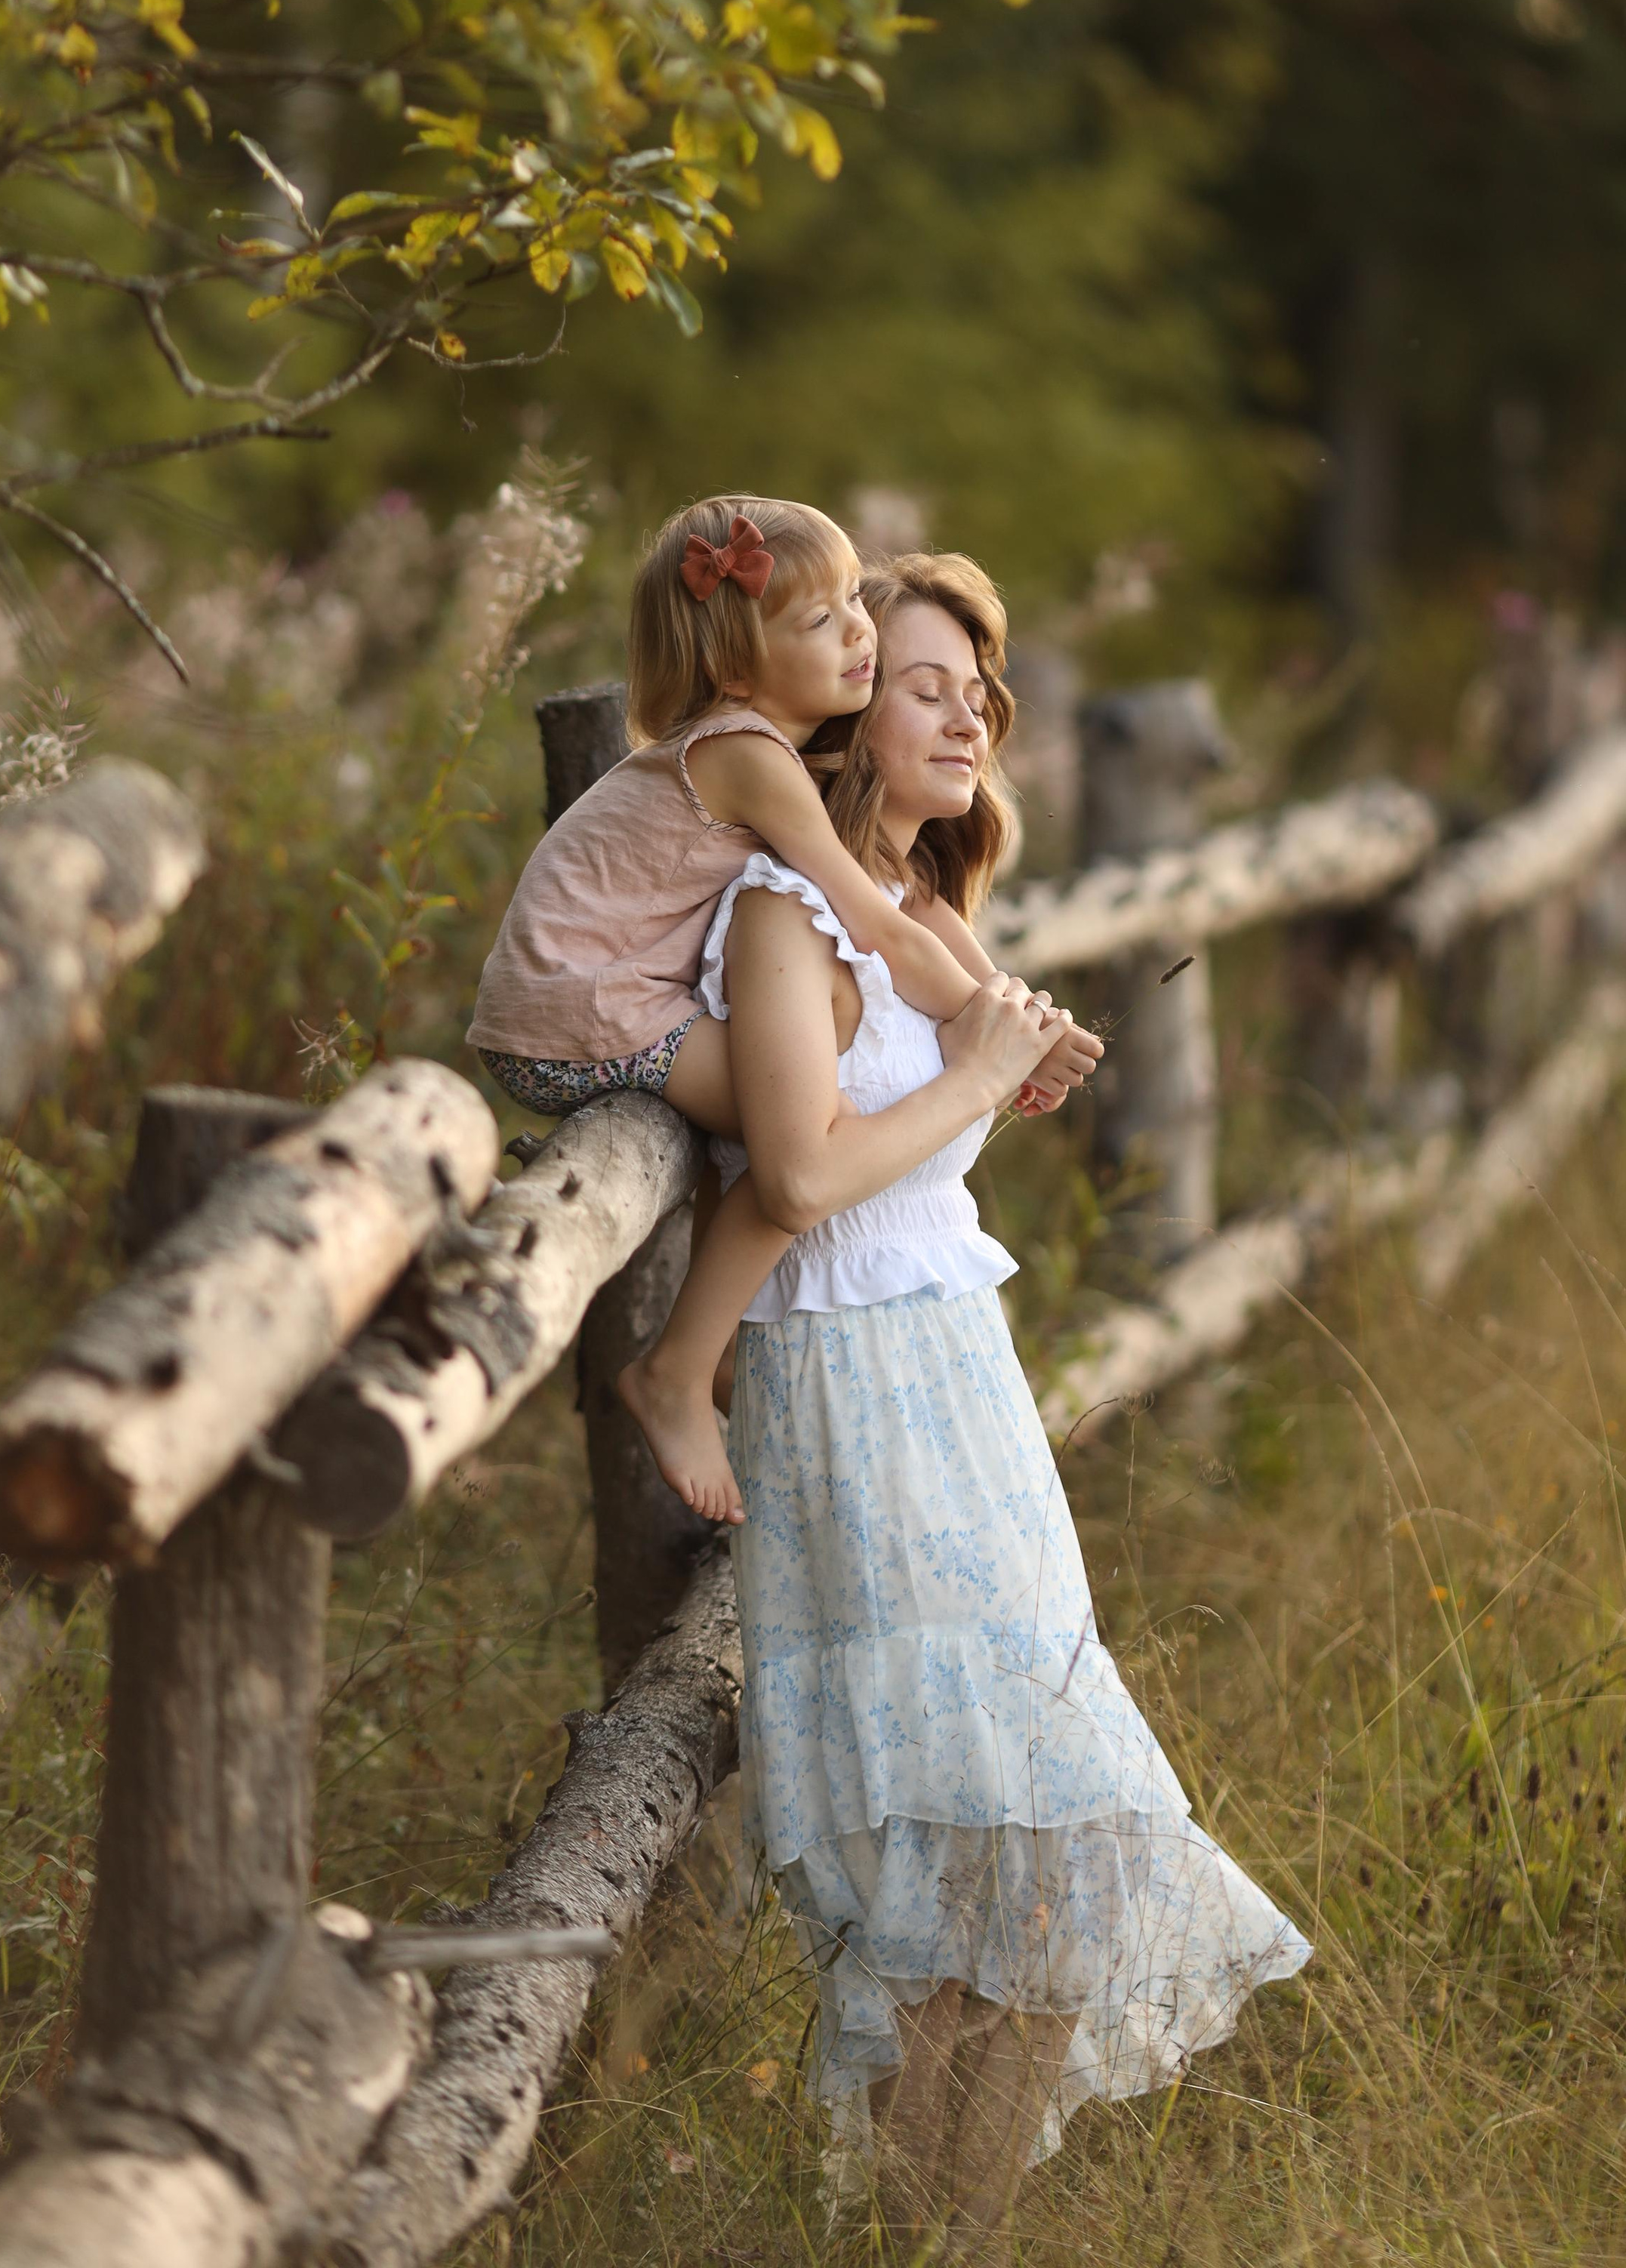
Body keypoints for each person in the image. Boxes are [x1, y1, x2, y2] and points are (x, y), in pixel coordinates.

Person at [705, 552, 1311, 2260]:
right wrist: (972, 1071)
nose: (967, 707)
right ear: (836, 715)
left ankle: (939, 2237)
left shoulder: (921, 915)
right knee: (969, 1866)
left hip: (966, 1395)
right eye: (920, 681)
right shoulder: (781, 916)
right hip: (857, 1399)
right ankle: (918, 2238)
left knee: (1048, 1858)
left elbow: (935, 1101)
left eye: (978, 683)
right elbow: (801, 1170)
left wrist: (997, 1054)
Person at [469, 491, 1100, 1528]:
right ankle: (679, 1368)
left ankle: (703, 1362)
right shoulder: (752, 756)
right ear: (735, 666)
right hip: (579, 1019)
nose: (858, 632)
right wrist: (1008, 1048)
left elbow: (925, 927)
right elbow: (886, 933)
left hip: (576, 1009)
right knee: (804, 1137)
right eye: (825, 619)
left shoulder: (759, 761)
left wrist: (1009, 1031)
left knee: (784, 1123)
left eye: (858, 604)